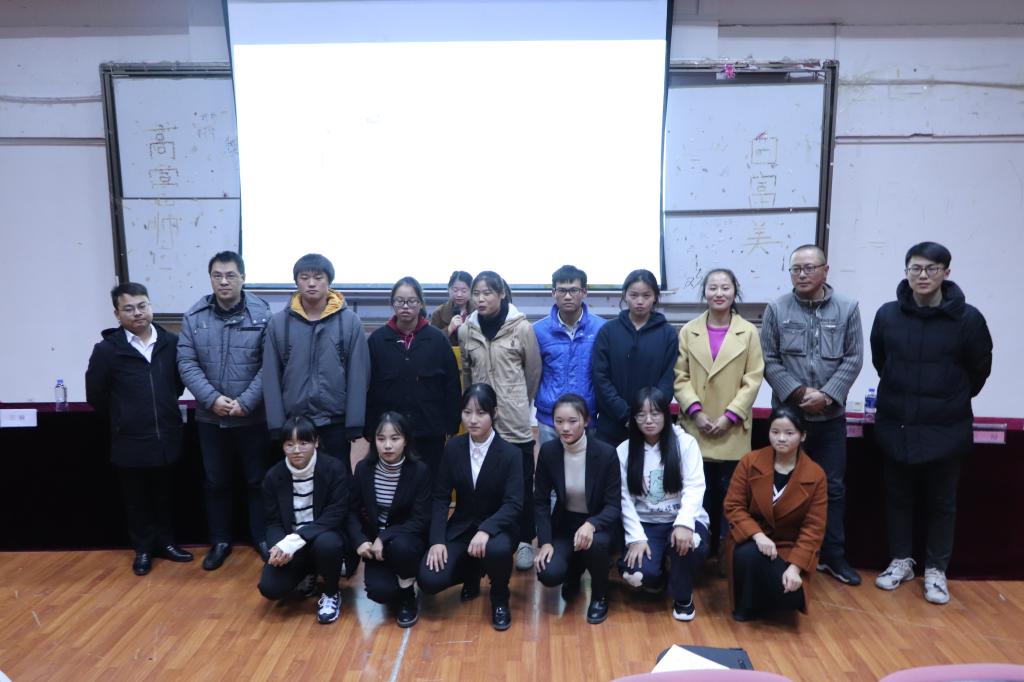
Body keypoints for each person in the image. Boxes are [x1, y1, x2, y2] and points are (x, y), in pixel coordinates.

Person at [870, 242, 993, 605]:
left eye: (931, 269)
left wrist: (949, 397)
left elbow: (979, 370)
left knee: (942, 503)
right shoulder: (888, 315)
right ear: (906, 271)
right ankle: (901, 561)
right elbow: (881, 361)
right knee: (898, 498)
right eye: (916, 268)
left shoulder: (968, 319)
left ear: (946, 273)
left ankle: (936, 569)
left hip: (946, 427)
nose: (922, 275)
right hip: (897, 423)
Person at [760, 245, 863, 586]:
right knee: (784, 485)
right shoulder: (777, 308)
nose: (802, 274)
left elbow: (853, 358)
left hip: (830, 418)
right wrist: (799, 393)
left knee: (832, 487)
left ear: (825, 270)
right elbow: (768, 359)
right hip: (788, 420)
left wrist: (828, 395)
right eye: (796, 269)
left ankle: (832, 556)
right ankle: (785, 554)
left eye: (809, 268)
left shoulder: (847, 308)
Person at [85, 282, 192, 576]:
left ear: (150, 306)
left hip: (166, 434)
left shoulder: (171, 343)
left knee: (165, 495)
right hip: (129, 439)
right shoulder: (107, 350)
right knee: (136, 500)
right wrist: (123, 417)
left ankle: (167, 543)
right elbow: (96, 395)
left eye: (142, 306)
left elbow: (177, 385)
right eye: (129, 308)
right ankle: (143, 549)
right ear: (117, 314)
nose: (137, 313)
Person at [177, 251, 273, 570]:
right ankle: (220, 541)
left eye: (230, 275)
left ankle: (261, 537)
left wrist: (246, 402)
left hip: (253, 417)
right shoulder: (195, 316)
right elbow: (186, 363)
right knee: (216, 482)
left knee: (257, 481)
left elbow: (270, 364)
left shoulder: (263, 314)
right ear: (210, 279)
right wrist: (212, 399)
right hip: (211, 417)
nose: (223, 281)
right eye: (217, 275)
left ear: (243, 278)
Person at [417, 384, 524, 631]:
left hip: (498, 529)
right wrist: (437, 540)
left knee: (497, 550)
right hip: (462, 527)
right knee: (429, 579)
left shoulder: (511, 454)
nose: (473, 420)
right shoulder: (453, 447)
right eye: (467, 412)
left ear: (495, 413)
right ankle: (471, 573)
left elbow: (514, 504)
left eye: (481, 413)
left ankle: (499, 596)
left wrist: (487, 529)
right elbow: (441, 498)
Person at [674, 269, 764, 563]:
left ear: (735, 292)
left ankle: (726, 554)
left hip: (732, 429)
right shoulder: (688, 330)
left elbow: (753, 379)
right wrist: (697, 413)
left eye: (725, 287)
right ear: (705, 292)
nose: (719, 293)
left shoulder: (748, 332)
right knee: (699, 492)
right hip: (696, 426)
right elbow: (680, 377)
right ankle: (699, 552)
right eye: (713, 287)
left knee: (730, 495)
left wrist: (730, 416)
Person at [458, 271, 541, 570]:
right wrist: (475, 408)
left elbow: (533, 372)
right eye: (476, 293)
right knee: (484, 481)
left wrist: (517, 401)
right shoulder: (466, 331)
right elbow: (467, 373)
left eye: (487, 293)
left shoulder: (522, 328)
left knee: (522, 482)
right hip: (481, 419)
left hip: (514, 420)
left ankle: (524, 540)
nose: (480, 299)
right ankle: (488, 536)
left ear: (502, 294)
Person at [262, 253, 370, 469]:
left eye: (318, 277)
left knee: (336, 479)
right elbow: (271, 376)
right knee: (296, 480)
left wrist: (354, 423)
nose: (311, 283)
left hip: (335, 421)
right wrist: (276, 424)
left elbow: (359, 375)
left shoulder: (350, 322)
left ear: (329, 281)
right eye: (304, 277)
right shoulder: (278, 323)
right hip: (293, 422)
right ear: (296, 282)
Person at [724, 406, 827, 622]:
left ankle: (766, 595)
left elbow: (813, 529)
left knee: (792, 598)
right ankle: (747, 605)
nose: (781, 438)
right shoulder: (750, 462)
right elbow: (733, 506)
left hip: (788, 548)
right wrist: (758, 536)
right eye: (775, 432)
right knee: (749, 554)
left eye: (789, 433)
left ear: (802, 436)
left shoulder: (816, 475)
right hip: (750, 540)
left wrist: (795, 568)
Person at [617, 387, 709, 622]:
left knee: (690, 545)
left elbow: (695, 486)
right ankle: (660, 577)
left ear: (667, 414)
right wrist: (636, 538)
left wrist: (685, 523)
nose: (648, 420)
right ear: (633, 418)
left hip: (682, 519)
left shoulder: (685, 444)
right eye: (641, 415)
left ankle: (682, 597)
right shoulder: (624, 450)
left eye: (655, 413)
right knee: (636, 575)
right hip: (646, 523)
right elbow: (624, 499)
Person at [533, 393, 620, 624]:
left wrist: (592, 524)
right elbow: (540, 501)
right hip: (565, 524)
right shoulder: (549, 451)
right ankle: (573, 571)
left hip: (597, 523)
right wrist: (545, 542)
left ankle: (599, 596)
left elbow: (614, 505)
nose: (565, 428)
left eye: (572, 421)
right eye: (559, 421)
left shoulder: (606, 453)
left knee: (596, 544)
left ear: (586, 420)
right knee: (548, 572)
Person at [365, 277, 461, 477]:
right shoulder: (377, 340)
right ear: (392, 304)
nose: (405, 306)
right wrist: (369, 427)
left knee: (429, 482)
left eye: (412, 301)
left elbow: (451, 385)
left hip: (429, 430)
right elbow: (368, 387)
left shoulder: (437, 340)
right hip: (389, 433)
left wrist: (451, 424)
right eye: (400, 301)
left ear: (421, 303)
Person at [258, 415, 349, 625]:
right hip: (293, 546)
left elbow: (335, 514)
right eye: (290, 444)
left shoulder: (333, 468)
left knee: (328, 543)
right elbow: (272, 522)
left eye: (303, 443)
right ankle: (307, 573)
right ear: (283, 446)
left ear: (316, 442)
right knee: (270, 589)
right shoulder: (273, 476)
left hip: (323, 537)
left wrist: (296, 539)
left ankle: (331, 592)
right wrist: (280, 547)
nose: (296, 450)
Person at [347, 412, 431, 627]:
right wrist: (359, 540)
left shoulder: (419, 471)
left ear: (406, 440)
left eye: (395, 438)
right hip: (377, 548)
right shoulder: (364, 469)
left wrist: (384, 537)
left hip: (407, 540)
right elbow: (351, 511)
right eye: (381, 438)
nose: (387, 445)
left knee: (402, 547)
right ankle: (400, 584)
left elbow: (420, 520)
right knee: (380, 592)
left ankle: (407, 594)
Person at [592, 269, 679, 447]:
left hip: (651, 427)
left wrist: (647, 415)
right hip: (611, 426)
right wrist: (625, 415)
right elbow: (601, 378)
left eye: (646, 295)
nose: (640, 301)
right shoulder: (608, 331)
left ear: (655, 297)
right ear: (625, 295)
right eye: (634, 295)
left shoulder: (668, 334)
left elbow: (668, 379)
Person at [533, 265, 606, 446]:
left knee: (587, 463)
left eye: (573, 290)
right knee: (551, 462)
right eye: (562, 290)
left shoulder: (601, 329)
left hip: (587, 416)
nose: (567, 296)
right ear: (553, 293)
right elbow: (532, 373)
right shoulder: (537, 331)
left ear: (584, 292)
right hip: (550, 417)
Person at [430, 270, 473, 346]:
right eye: (455, 290)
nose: (459, 294)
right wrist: (449, 329)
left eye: (464, 291)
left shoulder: (478, 311)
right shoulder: (438, 313)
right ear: (449, 290)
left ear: (471, 291)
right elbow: (431, 341)